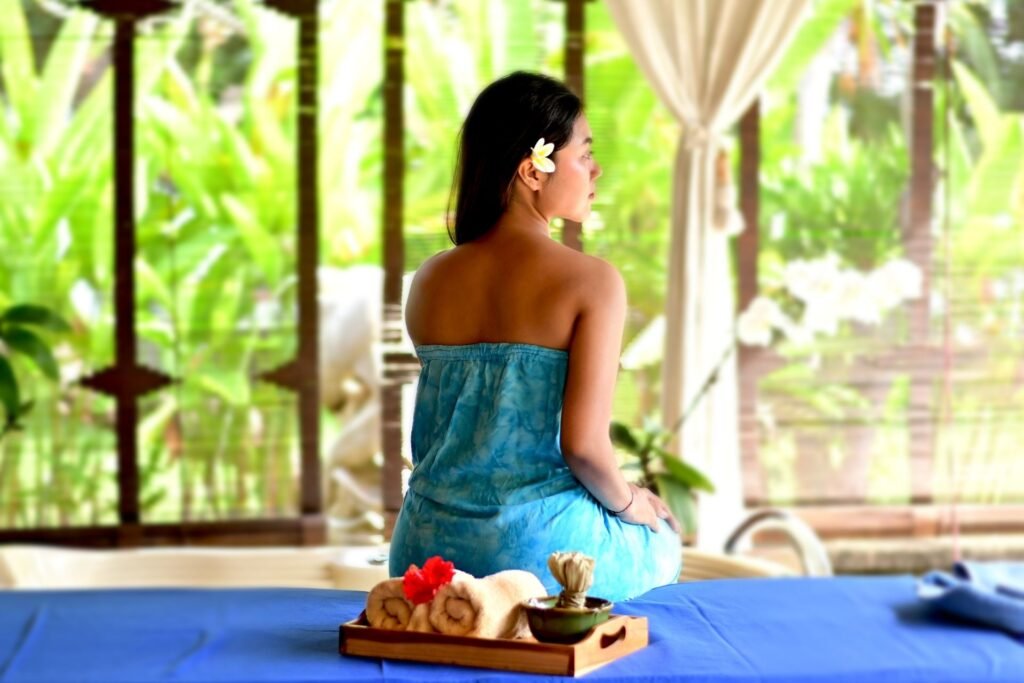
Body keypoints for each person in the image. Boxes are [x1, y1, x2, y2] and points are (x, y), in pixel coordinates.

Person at [389, 71, 682, 602]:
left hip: (425, 556)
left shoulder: (429, 279)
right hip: (535, 555)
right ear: (532, 170)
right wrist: (633, 502)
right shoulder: (593, 282)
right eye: (583, 154)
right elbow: (585, 448)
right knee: (662, 542)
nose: (596, 169)